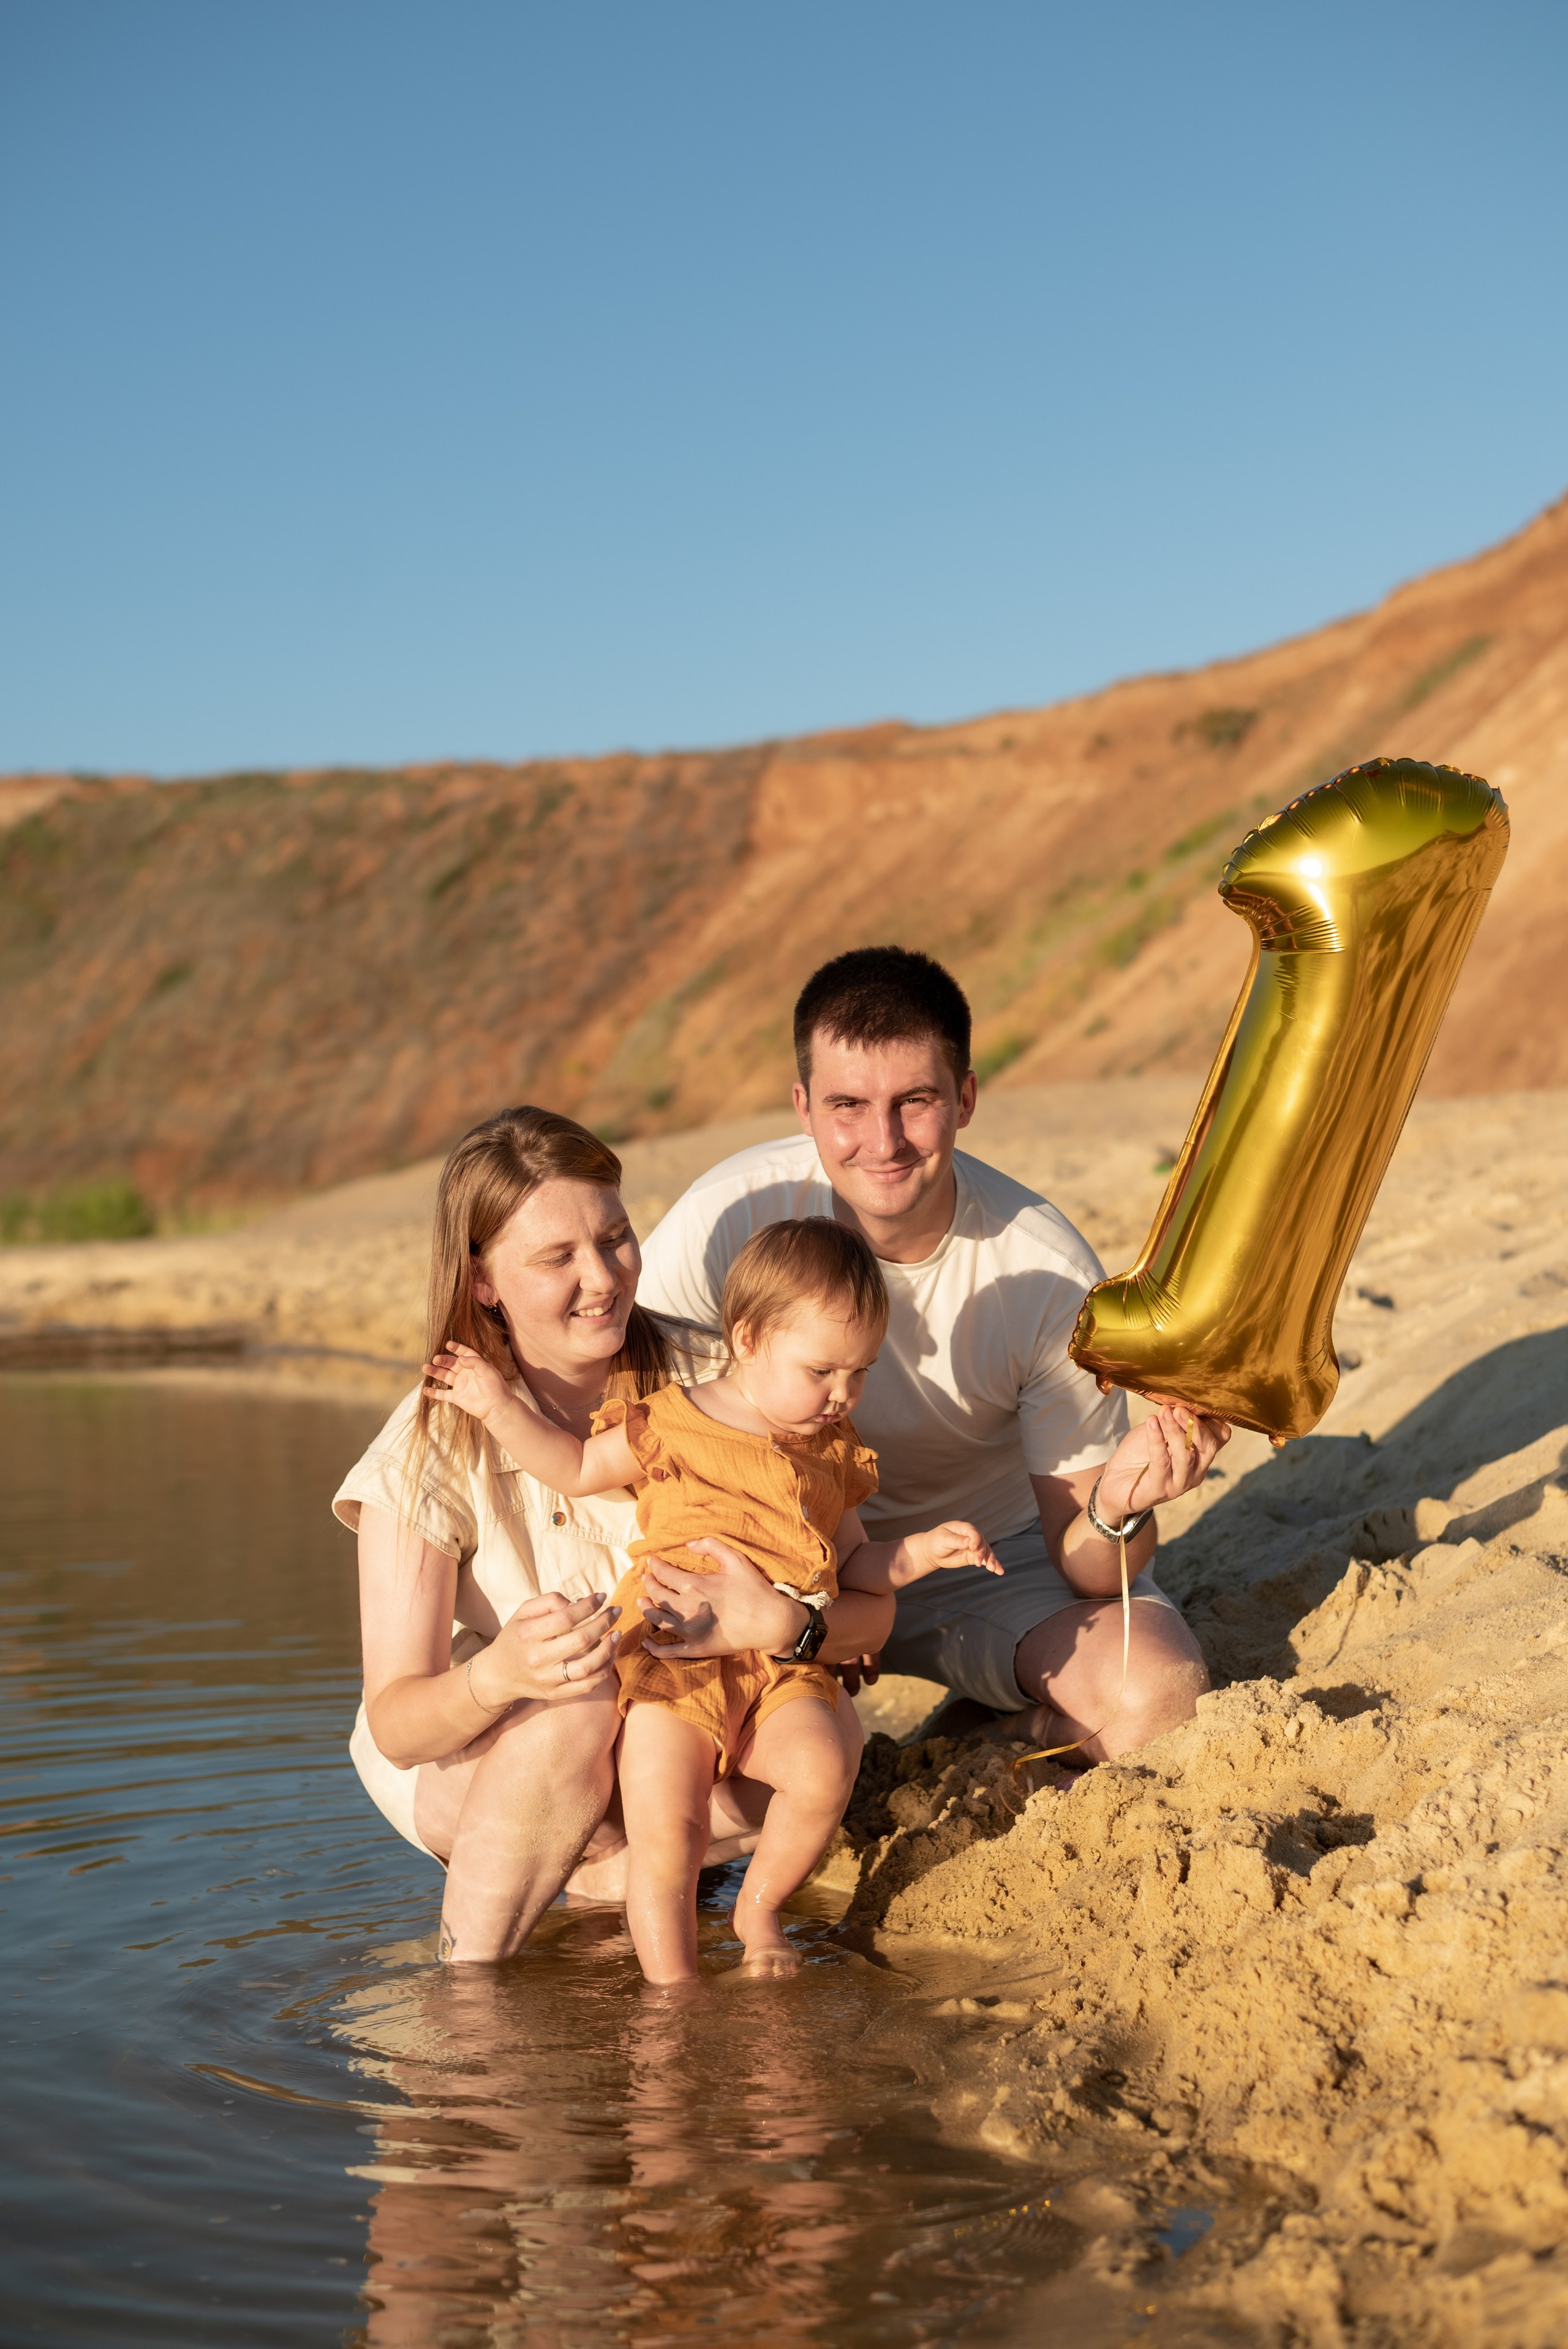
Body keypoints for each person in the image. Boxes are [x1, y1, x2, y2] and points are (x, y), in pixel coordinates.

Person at [636, 946, 1229, 1761]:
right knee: (655, 1753)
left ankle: (986, 1742)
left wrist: (1119, 1508)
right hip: (767, 1552)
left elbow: (1090, 1564)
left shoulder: (1047, 1271)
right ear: (803, 1105)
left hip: (982, 1562)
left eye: (914, 1100)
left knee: (1156, 1696)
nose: (882, 1141)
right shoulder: (728, 1216)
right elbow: (630, 1418)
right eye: (848, 1103)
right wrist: (806, 1599)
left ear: (966, 1098)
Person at [332, 1107, 892, 1964]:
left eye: (616, 1237)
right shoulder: (427, 1445)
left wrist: (789, 1624)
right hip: (481, 1753)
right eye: (557, 1256)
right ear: (483, 1279)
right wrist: (497, 1675)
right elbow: (400, 1723)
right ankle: (467, 2009)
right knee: (578, 1701)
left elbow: (857, 1600)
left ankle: (618, 1883)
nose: (604, 1277)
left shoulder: (727, 1381)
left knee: (826, 1730)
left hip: (682, 1723)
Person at [425, 1216, 1002, 1981]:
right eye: (822, 1371)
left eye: (858, 1373)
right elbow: (568, 1465)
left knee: (823, 1769)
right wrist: (497, 1404)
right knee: (672, 1829)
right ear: (751, 1339)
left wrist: (921, 1553)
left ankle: (758, 1909)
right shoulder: (670, 1421)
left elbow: (856, 1563)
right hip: (675, 1659)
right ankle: (674, 1991)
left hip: (779, 1665)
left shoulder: (830, 1450)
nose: (842, 1395)